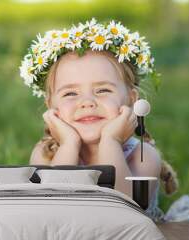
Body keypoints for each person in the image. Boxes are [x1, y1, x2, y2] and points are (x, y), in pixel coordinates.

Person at [19, 19, 180, 221]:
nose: (87, 102)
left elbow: (123, 213)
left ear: (131, 100)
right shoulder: (46, 154)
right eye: (70, 93)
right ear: (51, 105)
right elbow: (52, 211)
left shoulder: (142, 155)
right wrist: (69, 144)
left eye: (103, 90)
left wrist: (110, 141)